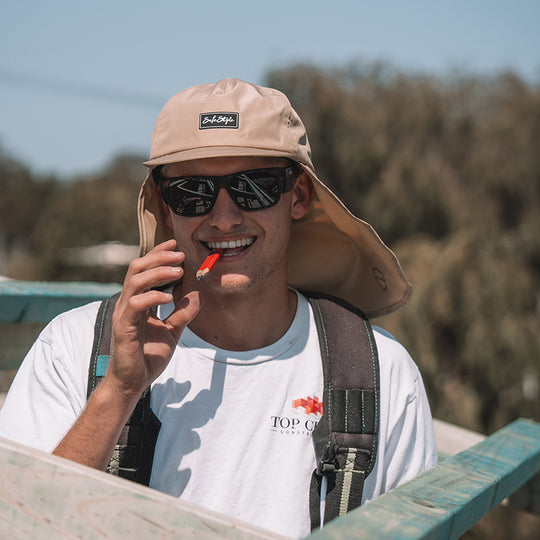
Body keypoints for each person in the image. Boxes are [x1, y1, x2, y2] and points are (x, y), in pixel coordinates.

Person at [0, 78, 438, 538]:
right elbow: (17, 521)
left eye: (254, 187)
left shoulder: (380, 374)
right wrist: (118, 392)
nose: (224, 217)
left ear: (300, 197)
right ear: (167, 208)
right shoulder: (73, 347)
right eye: (194, 192)